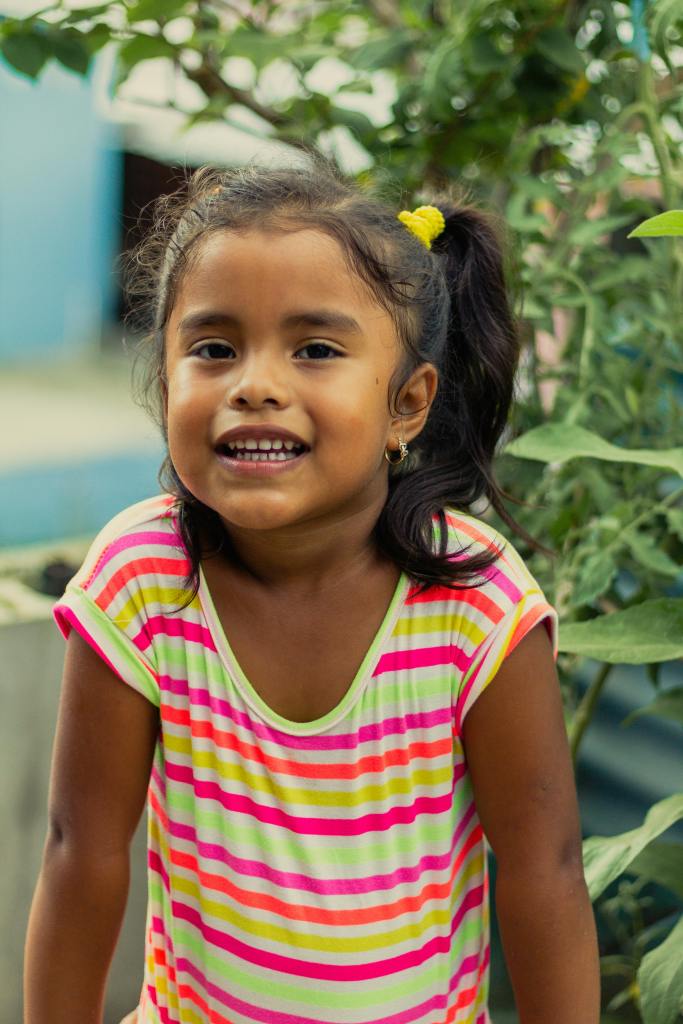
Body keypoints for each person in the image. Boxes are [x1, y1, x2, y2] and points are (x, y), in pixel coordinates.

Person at [24, 146, 600, 1024]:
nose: (256, 386)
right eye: (213, 347)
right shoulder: (142, 583)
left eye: (316, 348)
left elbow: (544, 873)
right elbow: (81, 852)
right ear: (165, 374)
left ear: (406, 404)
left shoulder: (475, 604)